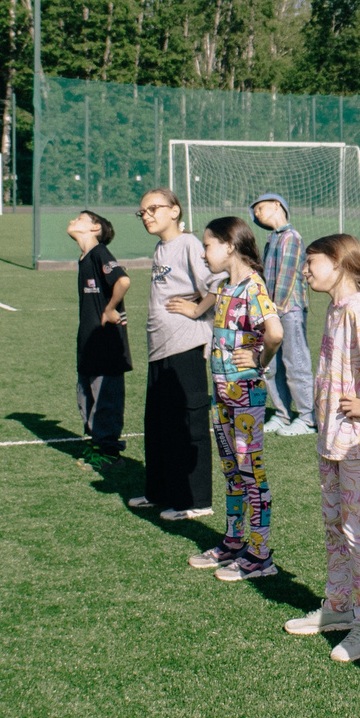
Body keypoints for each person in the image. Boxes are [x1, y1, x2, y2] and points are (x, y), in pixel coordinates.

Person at [282, 232, 360, 663]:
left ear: (339, 263)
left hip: (355, 443)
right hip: (331, 437)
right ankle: (338, 607)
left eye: (312, 262)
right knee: (334, 522)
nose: (305, 270)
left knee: (356, 530)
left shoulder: (357, 309)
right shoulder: (336, 307)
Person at [173, 216, 286, 582]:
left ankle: (260, 554)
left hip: (246, 398)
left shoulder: (254, 287)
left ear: (229, 246)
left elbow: (275, 333)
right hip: (221, 396)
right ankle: (234, 542)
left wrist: (259, 361)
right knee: (232, 473)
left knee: (251, 473)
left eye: (208, 245)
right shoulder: (224, 287)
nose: (204, 252)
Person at [138, 189, 215, 519]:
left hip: (185, 346)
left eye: (154, 208)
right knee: (158, 424)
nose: (147, 215)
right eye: (142, 212)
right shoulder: (161, 247)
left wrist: (197, 310)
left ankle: (195, 502)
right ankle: (160, 492)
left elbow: (217, 284)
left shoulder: (189, 244)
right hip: (160, 349)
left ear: (174, 210)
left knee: (187, 424)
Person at [68, 210, 132, 466]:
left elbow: (123, 281)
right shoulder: (85, 257)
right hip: (89, 339)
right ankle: (96, 442)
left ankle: (108, 450)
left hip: (107, 341)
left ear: (95, 229)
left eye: (81, 218)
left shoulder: (100, 253)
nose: (73, 220)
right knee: (85, 392)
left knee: (105, 394)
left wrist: (110, 309)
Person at [252, 192, 315, 436]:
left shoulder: (291, 237)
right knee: (271, 365)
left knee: (295, 362)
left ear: (277, 205)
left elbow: (288, 278)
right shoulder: (272, 240)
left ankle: (307, 417)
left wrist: (273, 311)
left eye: (260, 208)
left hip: (289, 311)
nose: (257, 214)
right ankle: (282, 414)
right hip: (272, 312)